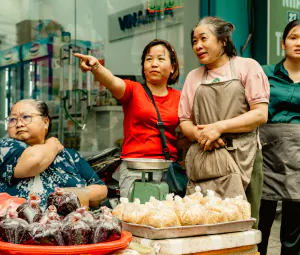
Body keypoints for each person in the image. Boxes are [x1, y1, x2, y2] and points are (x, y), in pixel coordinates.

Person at [179, 16, 270, 227]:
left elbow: (260, 114)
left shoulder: (247, 67)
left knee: (244, 225)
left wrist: (218, 128)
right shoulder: (194, 77)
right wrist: (203, 135)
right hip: (205, 156)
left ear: (222, 40)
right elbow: (184, 121)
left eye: (203, 38)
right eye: (194, 41)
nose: (198, 46)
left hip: (244, 155)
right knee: (203, 223)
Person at [75, 39, 181, 198]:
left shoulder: (180, 97)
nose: (154, 63)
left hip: (169, 172)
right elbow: (111, 81)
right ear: (143, 68)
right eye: (149, 59)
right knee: (135, 219)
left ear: (172, 67)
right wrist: (96, 66)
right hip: (135, 172)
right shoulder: (133, 89)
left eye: (160, 59)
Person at [0, 99, 107, 208]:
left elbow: (101, 188)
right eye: (12, 119)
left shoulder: (69, 156)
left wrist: (70, 195)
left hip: (72, 222)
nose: (19, 124)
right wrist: (52, 144)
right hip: (18, 223)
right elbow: (35, 161)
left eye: (26, 117)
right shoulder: (5, 149)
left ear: (45, 122)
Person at [258, 19, 300, 255]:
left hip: (299, 157)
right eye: (294, 37)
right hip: (265, 154)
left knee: (294, 230)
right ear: (283, 42)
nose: (299, 43)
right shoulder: (263, 73)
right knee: (259, 225)